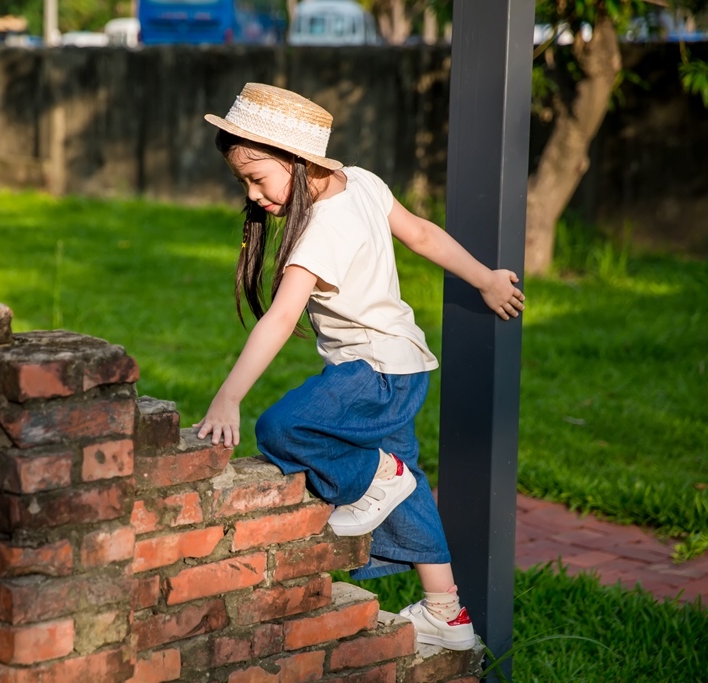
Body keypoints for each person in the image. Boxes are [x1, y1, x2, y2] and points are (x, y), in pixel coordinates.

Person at [196, 83, 525, 651]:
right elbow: (422, 234)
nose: (252, 194)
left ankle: (376, 477)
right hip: (404, 365)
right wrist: (485, 278)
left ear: (298, 163)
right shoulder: (363, 181)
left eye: (257, 178)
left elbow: (278, 319)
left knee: (283, 427)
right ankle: (446, 614)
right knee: (413, 491)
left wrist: (228, 397)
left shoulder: (322, 230)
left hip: (371, 373)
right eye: (243, 183)